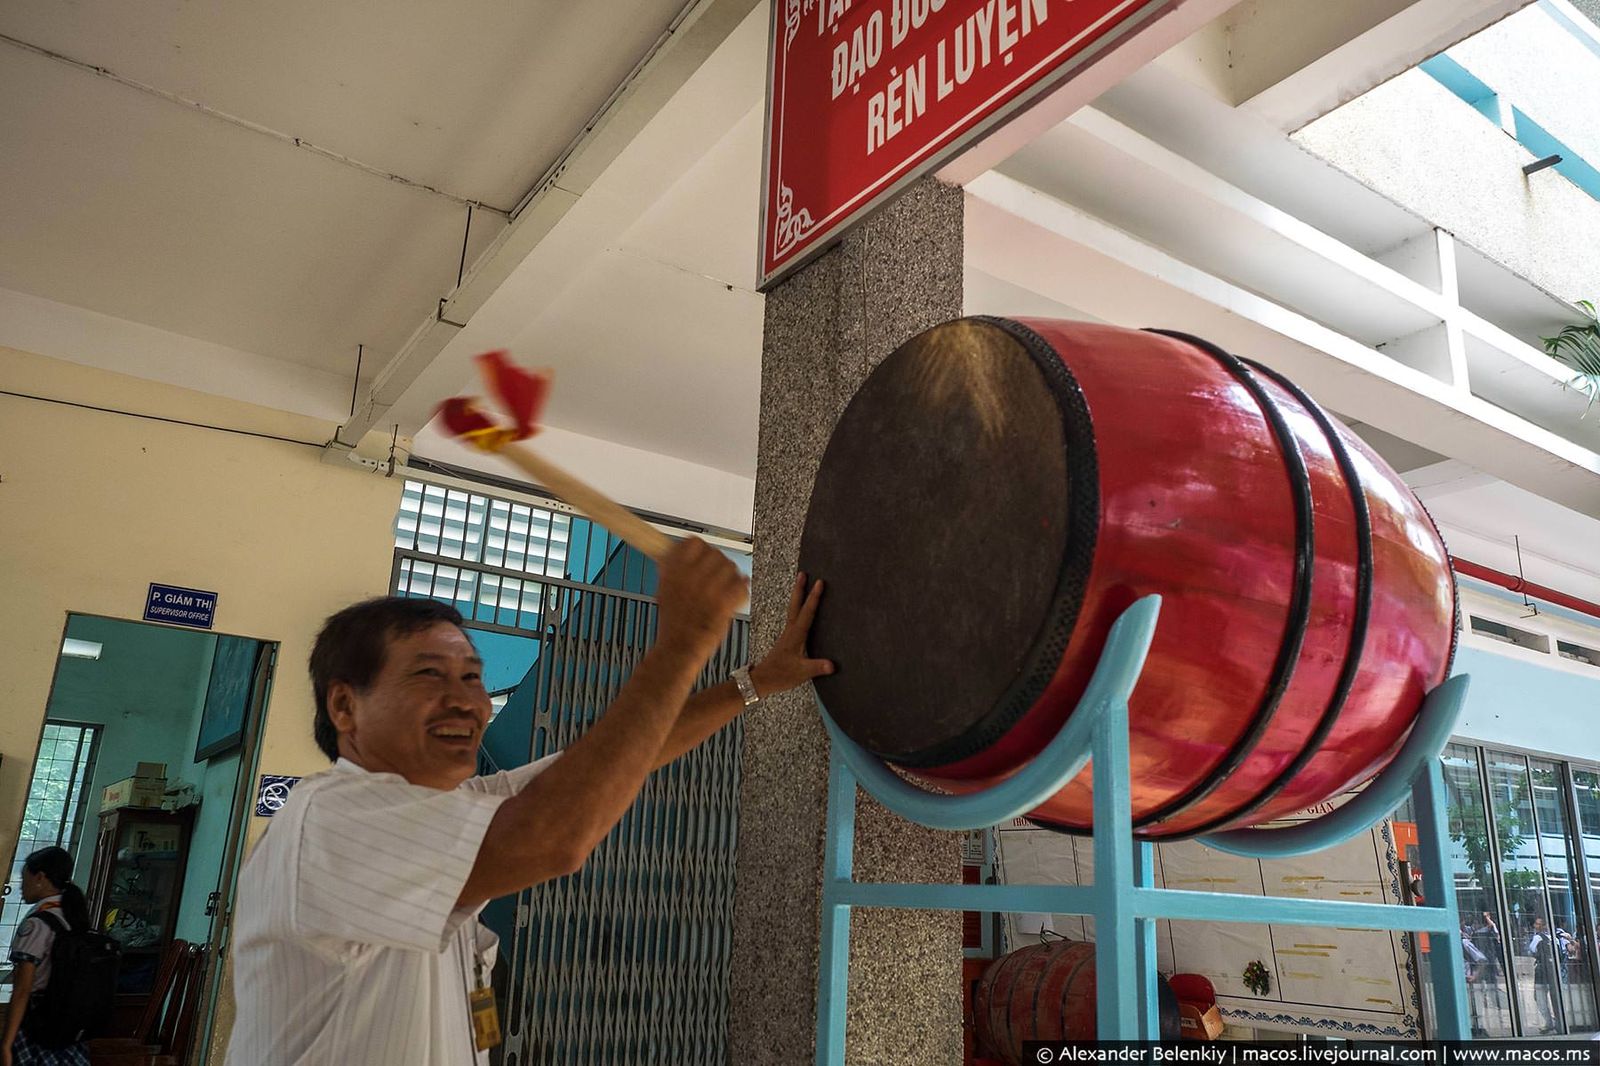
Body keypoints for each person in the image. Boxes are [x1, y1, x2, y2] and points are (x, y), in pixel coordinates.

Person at [225, 541, 833, 1065]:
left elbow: (630, 755)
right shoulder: (331, 819)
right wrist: (681, 646)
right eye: (429, 675)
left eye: (471, 677)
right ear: (344, 707)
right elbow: (555, 837)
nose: (466, 700)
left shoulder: (451, 809)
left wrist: (755, 681)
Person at [2, 848, 92, 1066]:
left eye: (24, 879)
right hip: (68, 1023)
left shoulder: (37, 924)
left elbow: (23, 990)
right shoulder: (72, 915)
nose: (21, 887)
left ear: (40, 877)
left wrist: (6, 1044)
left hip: (38, 1024)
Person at [1527, 916, 1563, 1034]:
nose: (1536, 926)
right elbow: (1561, 955)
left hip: (1541, 973)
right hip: (1554, 973)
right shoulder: (1555, 939)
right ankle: (1559, 1022)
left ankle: (1549, 1022)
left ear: (1544, 926)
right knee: (1555, 999)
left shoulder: (1537, 937)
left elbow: (1531, 950)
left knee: (1539, 998)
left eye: (1538, 924)